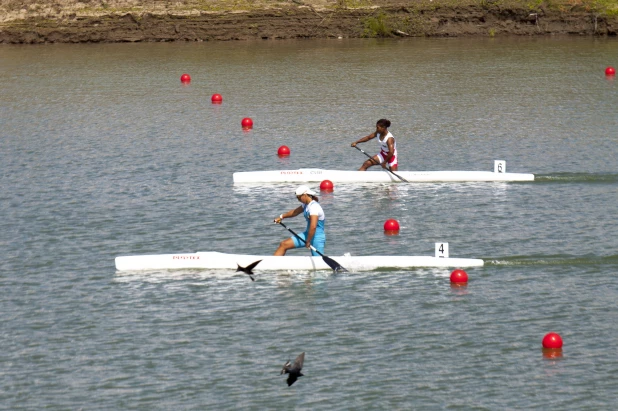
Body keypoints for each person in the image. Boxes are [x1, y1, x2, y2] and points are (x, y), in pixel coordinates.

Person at [273, 185, 325, 256]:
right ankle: (273, 263)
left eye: (299, 197)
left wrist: (308, 241)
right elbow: (295, 212)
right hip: (307, 235)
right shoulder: (306, 205)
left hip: (317, 238)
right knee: (283, 244)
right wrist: (281, 217)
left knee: (318, 261)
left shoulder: (314, 207)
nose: (298, 200)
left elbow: (313, 227)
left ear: (305, 195)